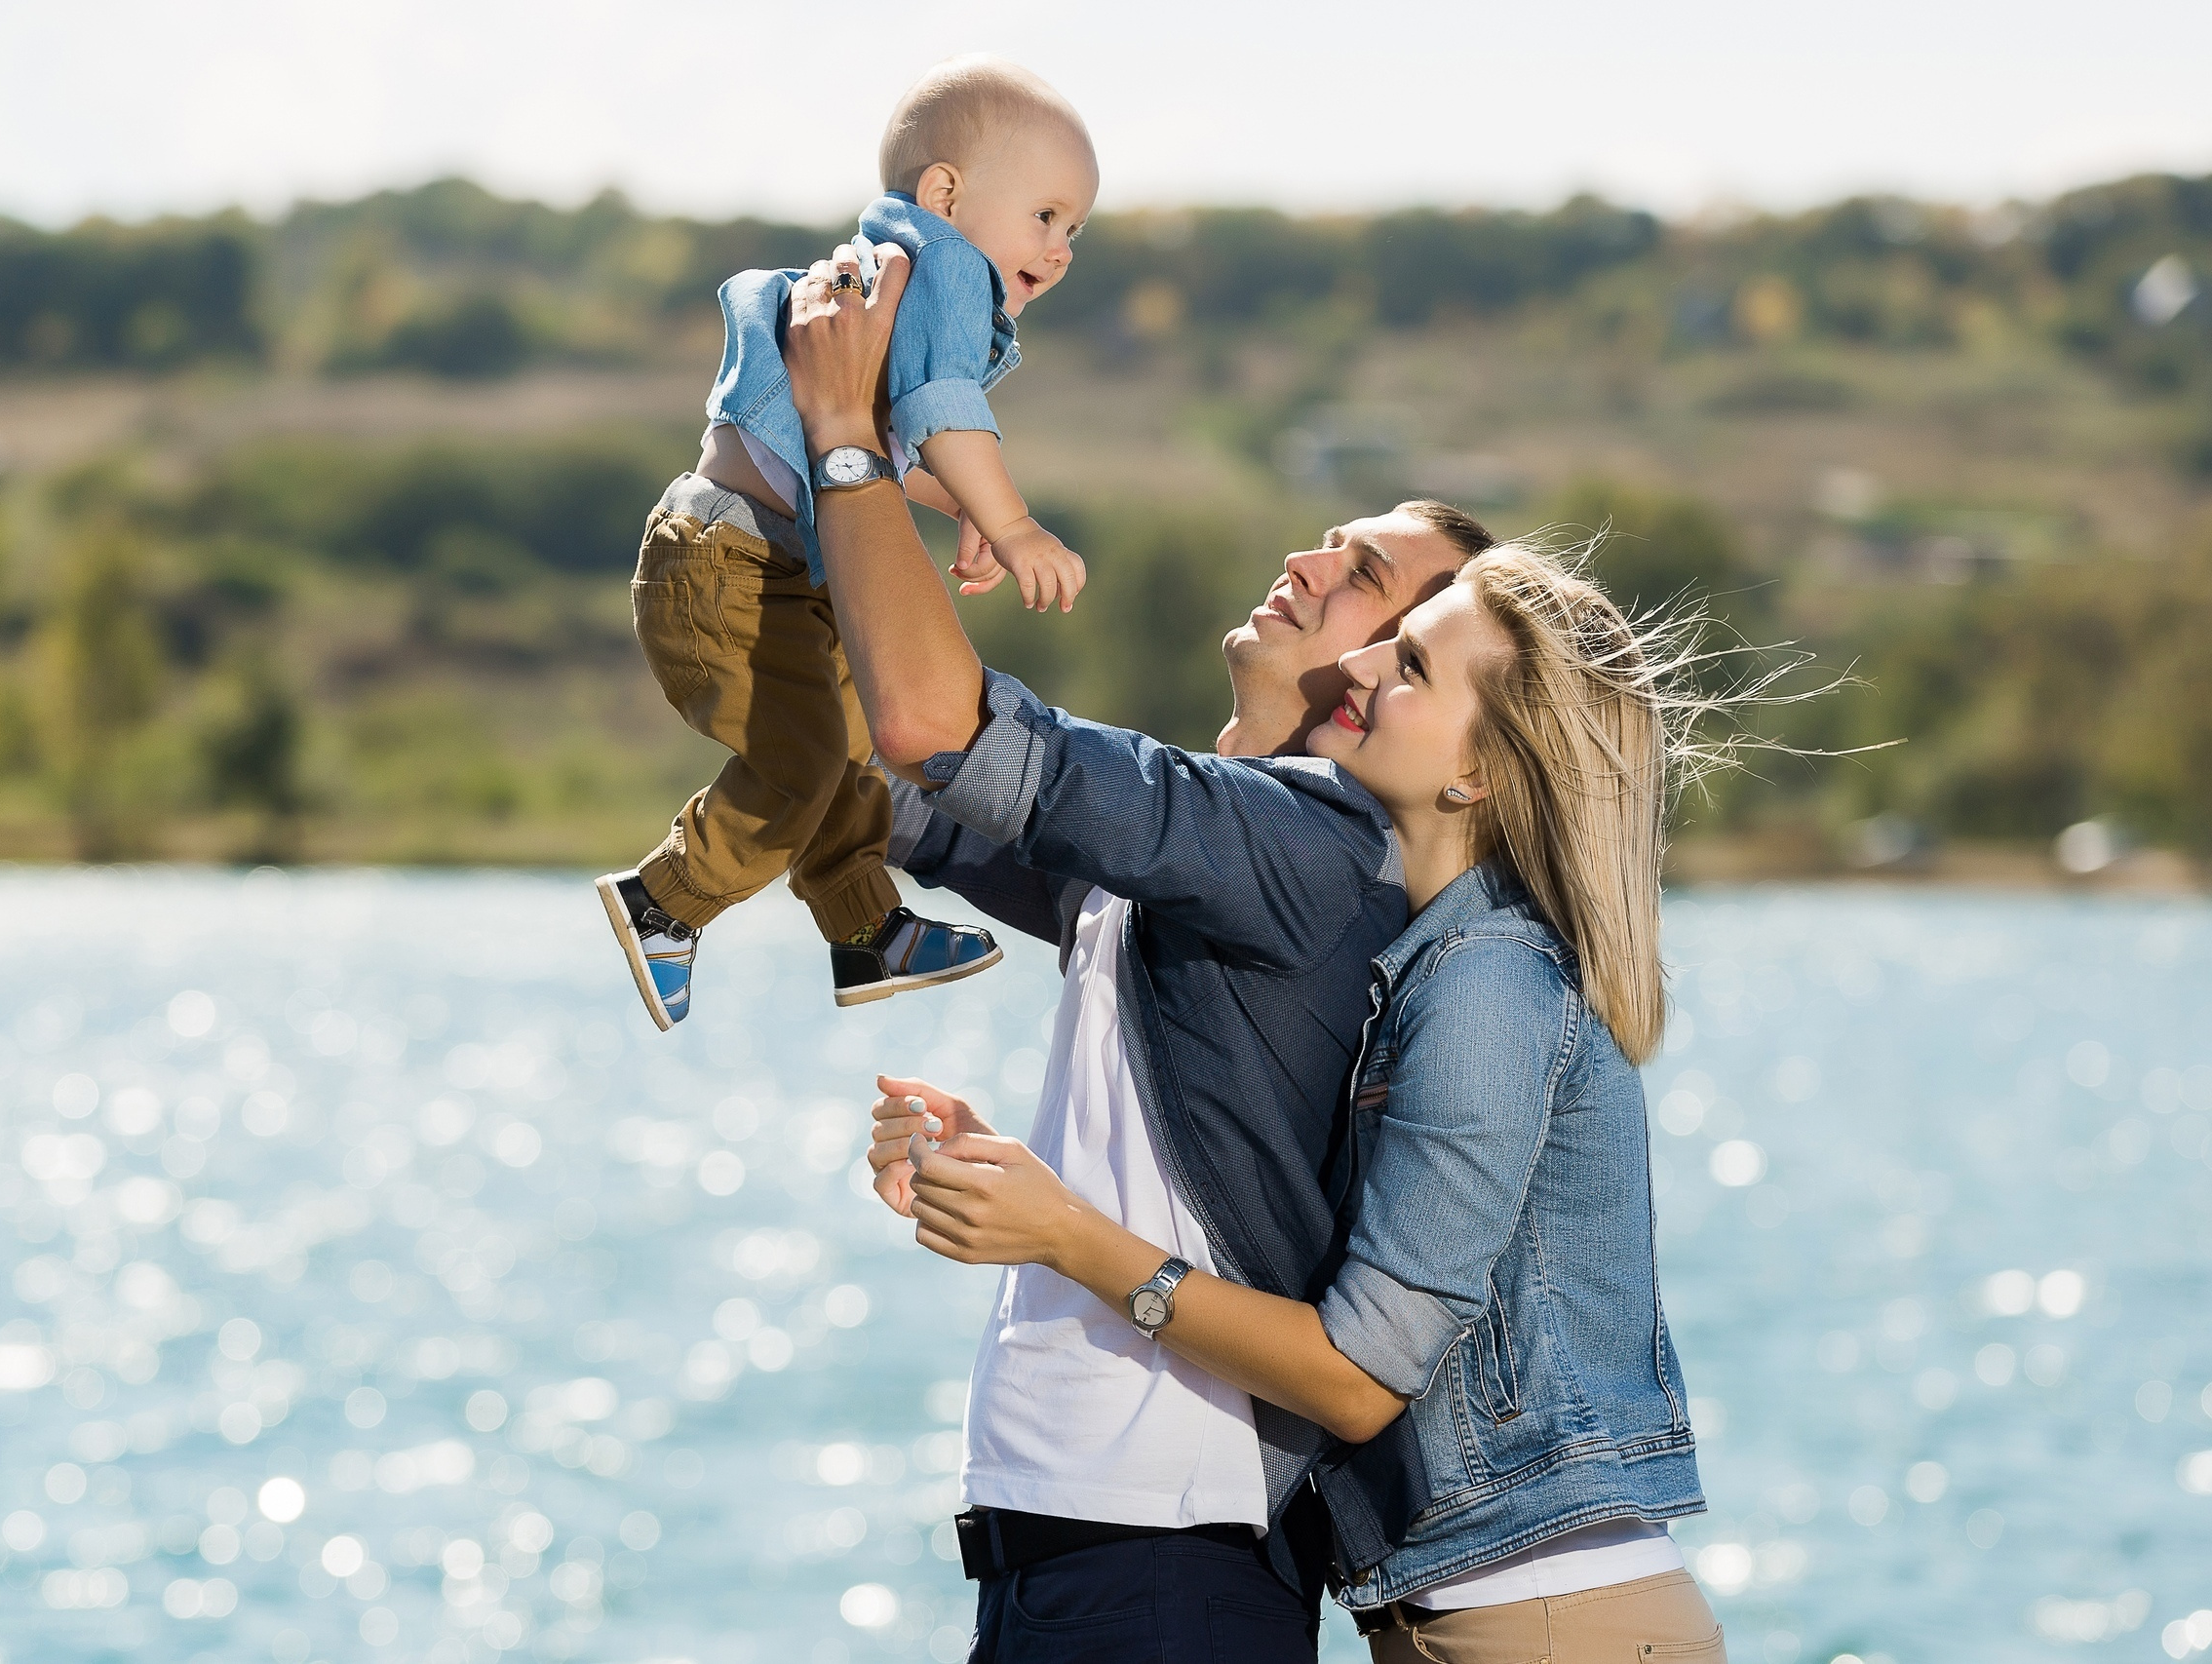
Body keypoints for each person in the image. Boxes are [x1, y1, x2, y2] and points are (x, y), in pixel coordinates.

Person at [776, 242, 1493, 1658]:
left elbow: (931, 727)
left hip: (1163, 1570)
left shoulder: (1302, 842)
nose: (1306, 560)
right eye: (1329, 538)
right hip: (1084, 1556)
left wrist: (850, 437)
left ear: (1399, 677)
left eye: (1361, 577)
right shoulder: (1221, 852)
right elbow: (866, 769)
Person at [879, 550, 1728, 1660]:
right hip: (1485, 1609)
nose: (1363, 665)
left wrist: (1068, 1234)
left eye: (1411, 664)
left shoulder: (1485, 981)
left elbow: (1359, 1378)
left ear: (1479, 772)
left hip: (1550, 1618)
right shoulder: (1424, 967)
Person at [595, 56, 1094, 1031]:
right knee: (807, 759)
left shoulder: (897, 265)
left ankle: (864, 927)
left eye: (1076, 230)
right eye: (1045, 215)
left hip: (760, 561)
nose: (1062, 247)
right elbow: (942, 406)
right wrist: (1011, 522)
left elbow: (886, 435)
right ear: (945, 193)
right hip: (729, 565)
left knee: (856, 743)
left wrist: (960, 507)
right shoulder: (946, 265)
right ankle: (665, 899)